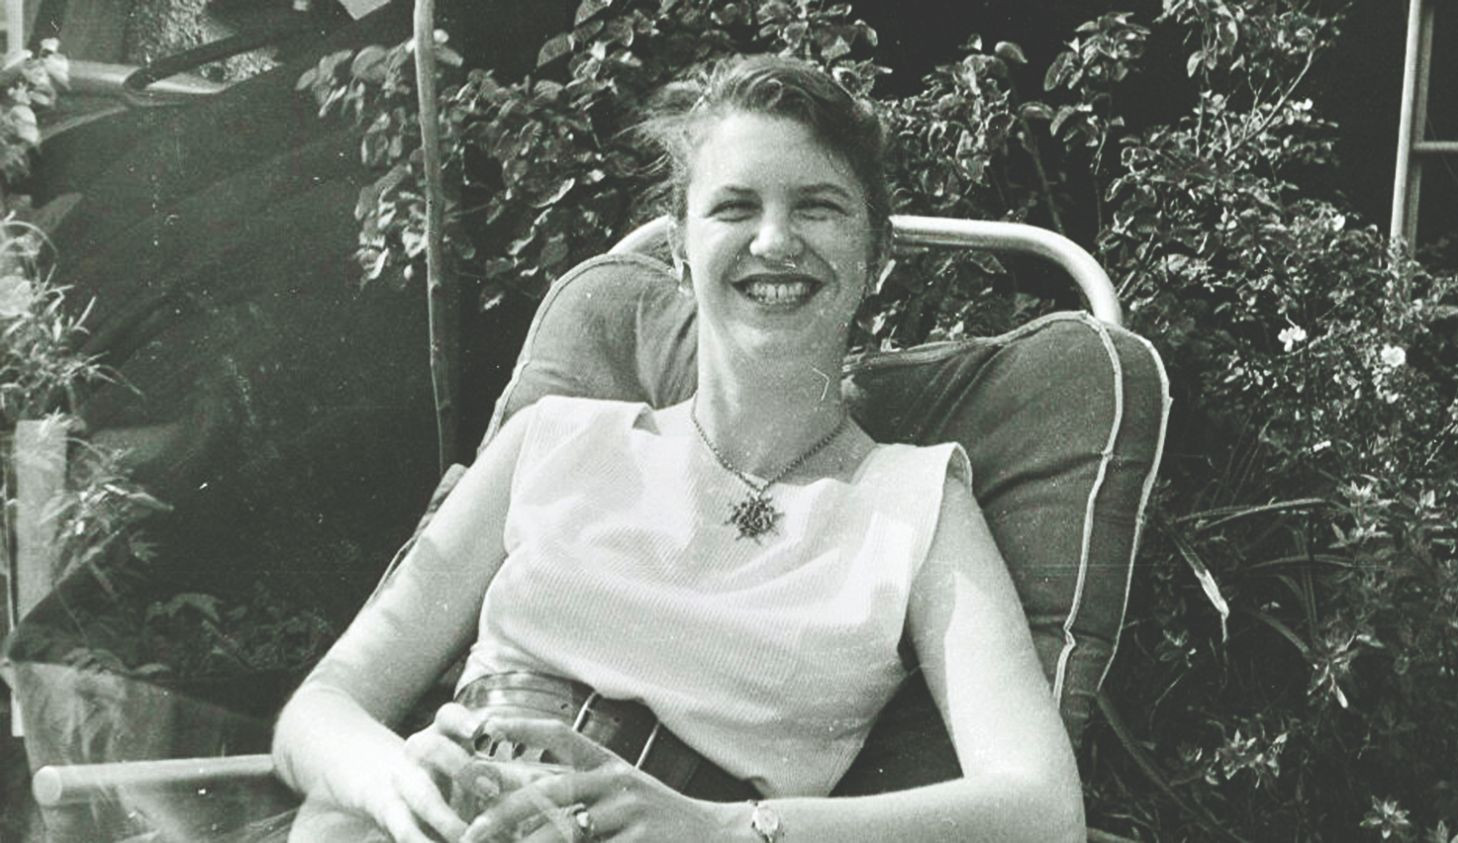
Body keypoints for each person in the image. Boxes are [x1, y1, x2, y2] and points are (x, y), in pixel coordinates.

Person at [271, 54, 1086, 843]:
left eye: (817, 207)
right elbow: (319, 709)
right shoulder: (551, 441)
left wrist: (726, 829)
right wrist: (391, 779)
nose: (774, 240)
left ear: (876, 253)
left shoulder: (917, 507)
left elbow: (1041, 811)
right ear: (677, 246)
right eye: (733, 207)